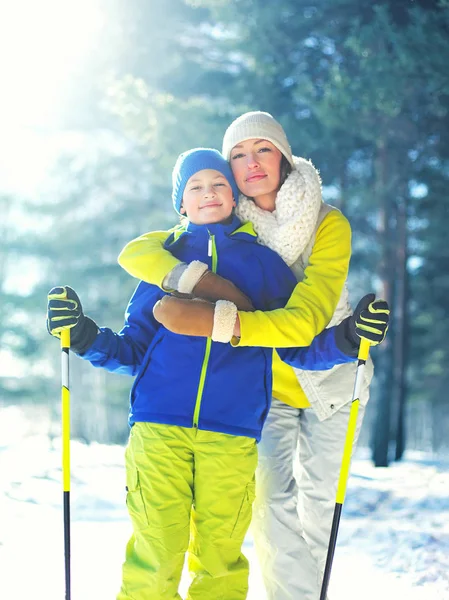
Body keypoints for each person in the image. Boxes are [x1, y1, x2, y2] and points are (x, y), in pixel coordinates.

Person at [46, 148, 387, 600]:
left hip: (231, 434)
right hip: (158, 427)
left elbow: (294, 347)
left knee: (220, 558)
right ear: (180, 203)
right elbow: (133, 350)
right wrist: (83, 334)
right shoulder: (161, 267)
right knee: (156, 551)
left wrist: (347, 340)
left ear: (234, 196)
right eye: (195, 186)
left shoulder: (263, 266)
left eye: (219, 184)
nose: (209, 193)